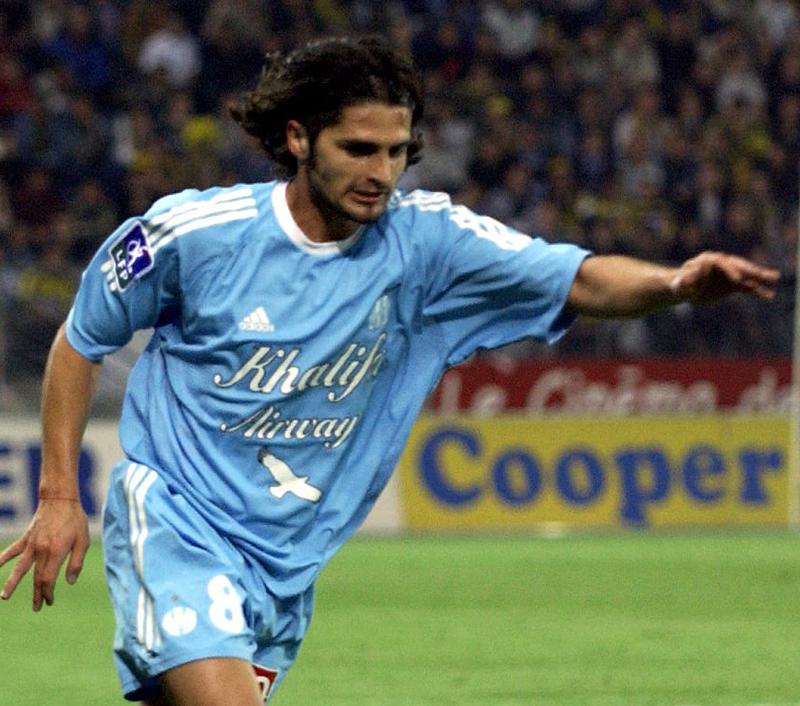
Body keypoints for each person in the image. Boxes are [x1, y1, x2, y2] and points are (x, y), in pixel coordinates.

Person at [0, 35, 779, 706]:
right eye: (359, 149)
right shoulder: (193, 235)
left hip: (287, 564)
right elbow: (80, 340)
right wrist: (60, 496)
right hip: (179, 518)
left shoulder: (429, 246)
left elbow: (574, 278)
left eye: (397, 152)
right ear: (299, 139)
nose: (382, 171)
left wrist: (676, 283)